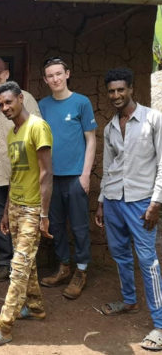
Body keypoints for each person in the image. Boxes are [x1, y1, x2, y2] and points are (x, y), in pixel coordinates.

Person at [0, 81, 53, 349]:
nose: (5, 108)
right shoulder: (13, 133)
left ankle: (3, 327)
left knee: (17, 267)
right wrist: (7, 211)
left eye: (9, 102)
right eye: (1, 104)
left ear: (21, 99)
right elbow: (14, 176)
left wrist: (43, 214)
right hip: (16, 205)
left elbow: (45, 173)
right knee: (26, 263)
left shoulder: (37, 127)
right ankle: (36, 307)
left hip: (32, 209)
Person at [95, 68, 162, 351]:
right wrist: (101, 201)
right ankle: (129, 300)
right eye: (111, 91)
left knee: (148, 261)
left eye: (121, 89)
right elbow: (109, 168)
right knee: (120, 253)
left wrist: (157, 201)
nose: (116, 95)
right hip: (113, 200)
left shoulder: (153, 119)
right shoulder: (110, 127)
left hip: (141, 201)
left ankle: (160, 324)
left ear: (132, 89)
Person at [0, 57, 40, 282]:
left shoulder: (26, 99)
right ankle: (5, 263)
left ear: (7, 74)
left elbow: (37, 135)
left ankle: (24, 266)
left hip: (22, 175)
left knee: (23, 221)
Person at [39, 57, 97, 299]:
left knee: (80, 226)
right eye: (50, 75)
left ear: (67, 74)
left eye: (59, 73)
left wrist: (85, 174)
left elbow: (91, 139)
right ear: (45, 79)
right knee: (56, 226)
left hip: (75, 176)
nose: (55, 79)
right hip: (52, 178)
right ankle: (64, 266)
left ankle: (81, 270)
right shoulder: (42, 105)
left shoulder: (81, 103)